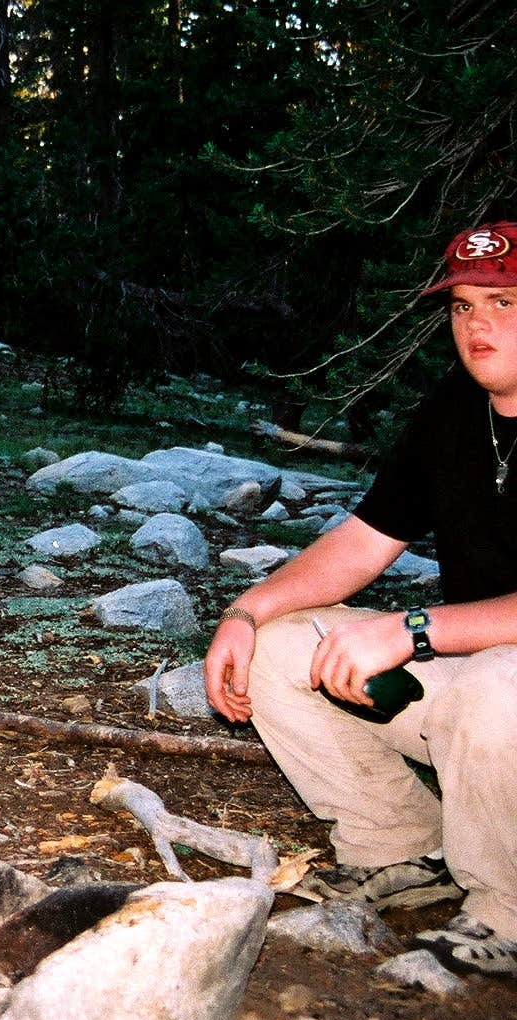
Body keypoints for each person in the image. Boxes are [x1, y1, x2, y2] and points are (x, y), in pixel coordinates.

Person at [203, 222, 517, 978]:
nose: (478, 326)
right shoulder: (455, 408)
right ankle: (400, 850)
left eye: (505, 303)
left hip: (501, 694)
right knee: (282, 649)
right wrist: (247, 613)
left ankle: (506, 909)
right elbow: (365, 540)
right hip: (482, 679)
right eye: (463, 307)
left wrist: (413, 629)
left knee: (493, 691)